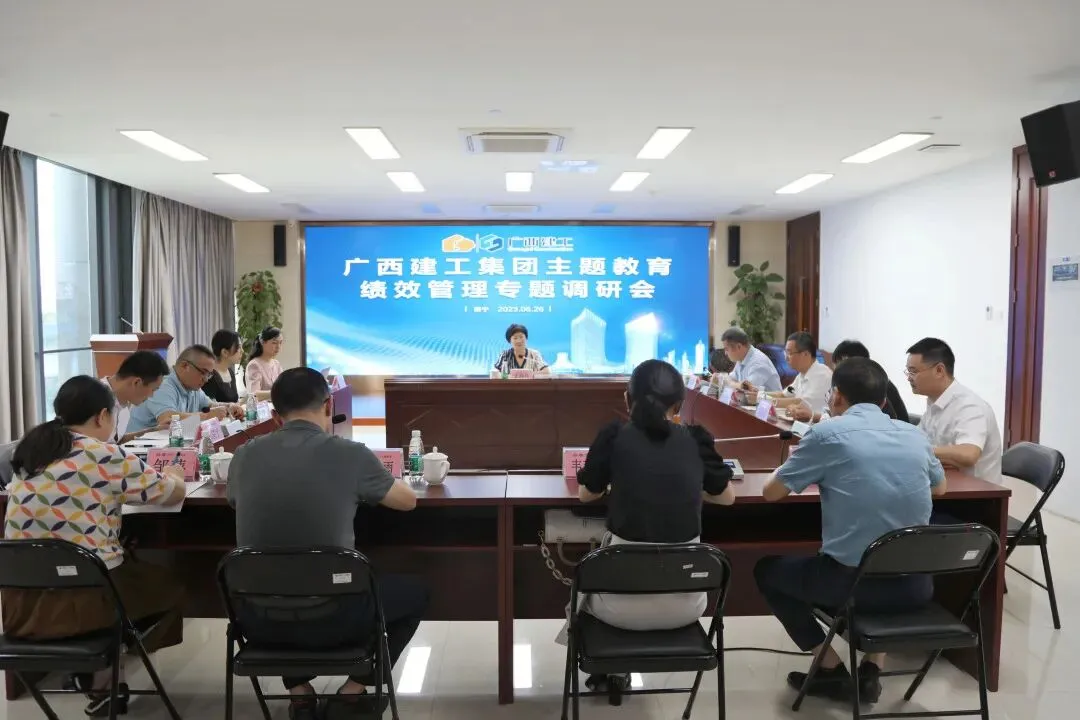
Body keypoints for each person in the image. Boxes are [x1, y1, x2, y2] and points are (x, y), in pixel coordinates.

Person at [227, 367, 427, 720]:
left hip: (258, 620)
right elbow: (407, 501)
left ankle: (300, 695)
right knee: (416, 593)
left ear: (274, 414)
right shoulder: (350, 454)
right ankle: (353, 693)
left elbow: (234, 501)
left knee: (280, 574)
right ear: (329, 405)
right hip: (336, 617)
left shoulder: (244, 455)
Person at [754, 358, 947, 705]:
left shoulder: (827, 434)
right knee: (886, 551)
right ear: (884, 401)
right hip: (917, 587)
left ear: (837, 396)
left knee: (767, 570)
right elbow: (940, 487)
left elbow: (772, 493)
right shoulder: (914, 435)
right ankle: (872, 670)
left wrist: (793, 466)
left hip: (849, 587)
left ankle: (829, 668)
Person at [2, 376, 187, 717]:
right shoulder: (104, 454)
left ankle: (99, 672)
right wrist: (176, 473)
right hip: (88, 599)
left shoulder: (31, 451)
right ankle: (106, 670)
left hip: (22, 605)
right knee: (172, 585)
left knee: (106, 566)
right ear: (102, 416)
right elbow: (169, 492)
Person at [575, 359, 735, 693]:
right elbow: (727, 498)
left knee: (586, 581)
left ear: (627, 399)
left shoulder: (613, 436)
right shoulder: (696, 439)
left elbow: (586, 494)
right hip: (688, 606)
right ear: (679, 405)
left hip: (617, 607)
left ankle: (609, 669)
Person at [906, 337, 1003, 484]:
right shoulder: (935, 401)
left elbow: (968, 454)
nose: (909, 378)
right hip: (948, 484)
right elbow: (917, 439)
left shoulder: (969, 406)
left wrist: (923, 450)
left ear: (939, 370)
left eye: (913, 372)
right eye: (908, 372)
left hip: (976, 493)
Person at [127, 345, 245, 433]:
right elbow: (167, 419)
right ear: (185, 366)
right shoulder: (163, 384)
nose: (206, 379)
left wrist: (229, 407)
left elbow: (210, 406)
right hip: (139, 449)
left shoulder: (193, 387)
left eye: (209, 375)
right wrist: (207, 416)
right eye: (203, 372)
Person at [100, 350, 172, 444]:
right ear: (137, 382)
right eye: (153, 389)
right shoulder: (94, 397)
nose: (151, 395)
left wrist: (154, 430)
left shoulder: (124, 403)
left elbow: (116, 441)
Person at [829, 340, 909, 423]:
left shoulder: (876, 386)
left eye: (841, 366)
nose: (838, 373)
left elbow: (886, 421)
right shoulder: (867, 383)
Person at [777, 332, 832, 421]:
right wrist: (761, 395)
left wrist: (766, 401)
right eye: (785, 353)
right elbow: (785, 394)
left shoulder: (822, 375)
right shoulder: (802, 374)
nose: (786, 358)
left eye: (790, 353)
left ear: (806, 354)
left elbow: (800, 402)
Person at [720, 326, 782, 393]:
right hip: (748, 399)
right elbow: (732, 379)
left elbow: (746, 389)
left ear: (739, 346)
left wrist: (729, 382)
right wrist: (722, 378)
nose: (725, 353)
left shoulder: (758, 362)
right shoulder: (741, 358)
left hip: (771, 400)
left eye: (726, 349)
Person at [204, 329, 243, 403]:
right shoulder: (210, 377)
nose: (242, 351)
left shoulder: (230, 372)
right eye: (238, 347)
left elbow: (234, 402)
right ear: (224, 352)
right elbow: (209, 406)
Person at [245, 326, 285, 397]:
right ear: (263, 342)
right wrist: (276, 394)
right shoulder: (254, 365)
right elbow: (254, 395)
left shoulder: (276, 364)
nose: (278, 347)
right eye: (274, 343)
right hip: (261, 404)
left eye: (280, 343)